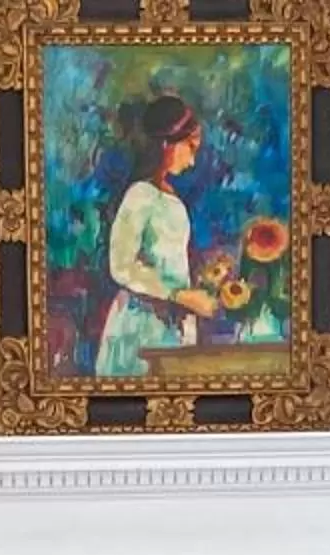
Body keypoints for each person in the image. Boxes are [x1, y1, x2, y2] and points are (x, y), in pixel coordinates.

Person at [95, 93, 213, 378]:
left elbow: (172, 263)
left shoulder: (173, 200)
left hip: (172, 325)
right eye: (190, 147)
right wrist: (178, 295)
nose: (193, 161)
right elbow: (121, 266)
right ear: (166, 143)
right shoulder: (140, 196)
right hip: (140, 326)